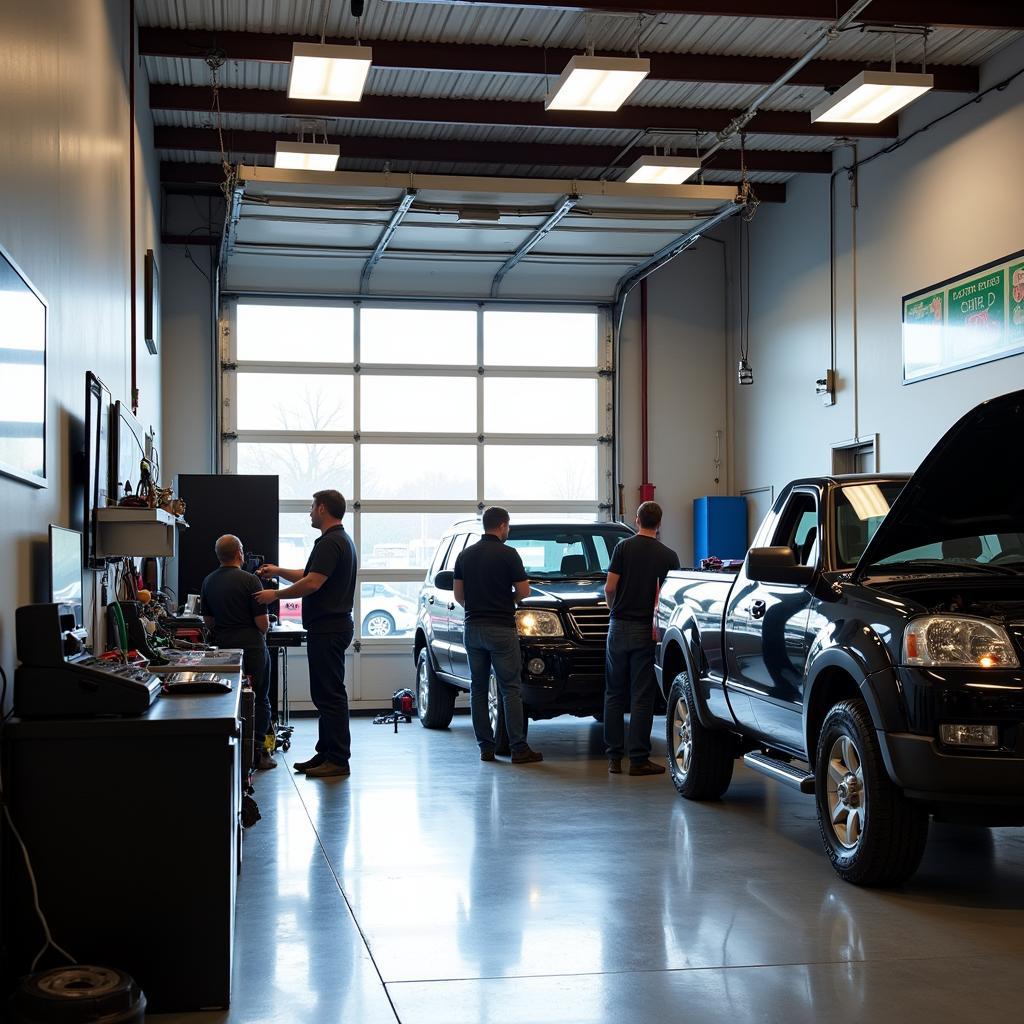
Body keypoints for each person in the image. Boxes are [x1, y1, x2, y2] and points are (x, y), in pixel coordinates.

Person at [256, 489, 357, 779]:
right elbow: (307, 574)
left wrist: (274, 593)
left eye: (312, 507)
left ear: (323, 508)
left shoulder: (331, 542)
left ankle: (338, 759)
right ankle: (326, 752)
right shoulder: (337, 540)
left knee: (330, 695)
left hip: (329, 627)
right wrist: (276, 570)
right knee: (325, 693)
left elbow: (312, 583)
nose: (310, 512)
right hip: (330, 627)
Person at [453, 506, 543, 765]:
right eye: (508, 527)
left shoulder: (465, 555)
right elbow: (524, 591)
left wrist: (477, 606)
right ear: (502, 526)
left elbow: (459, 595)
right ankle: (518, 748)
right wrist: (508, 600)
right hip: (502, 629)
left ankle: (485, 748)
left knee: (478, 689)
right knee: (510, 690)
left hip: (474, 628)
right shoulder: (509, 554)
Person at [603, 501, 680, 776]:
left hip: (619, 626)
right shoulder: (669, 556)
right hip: (647, 630)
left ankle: (613, 758)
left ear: (637, 520)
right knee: (641, 695)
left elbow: (610, 587)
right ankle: (638, 759)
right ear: (659, 524)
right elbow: (670, 599)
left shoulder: (622, 548)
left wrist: (614, 609)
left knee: (614, 692)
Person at [201, 534, 275, 771]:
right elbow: (262, 623)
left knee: (229, 701)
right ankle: (259, 753)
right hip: (252, 648)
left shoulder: (209, 581)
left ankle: (231, 751)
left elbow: (208, 621)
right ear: (239, 553)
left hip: (224, 649)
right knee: (259, 698)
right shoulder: (251, 581)